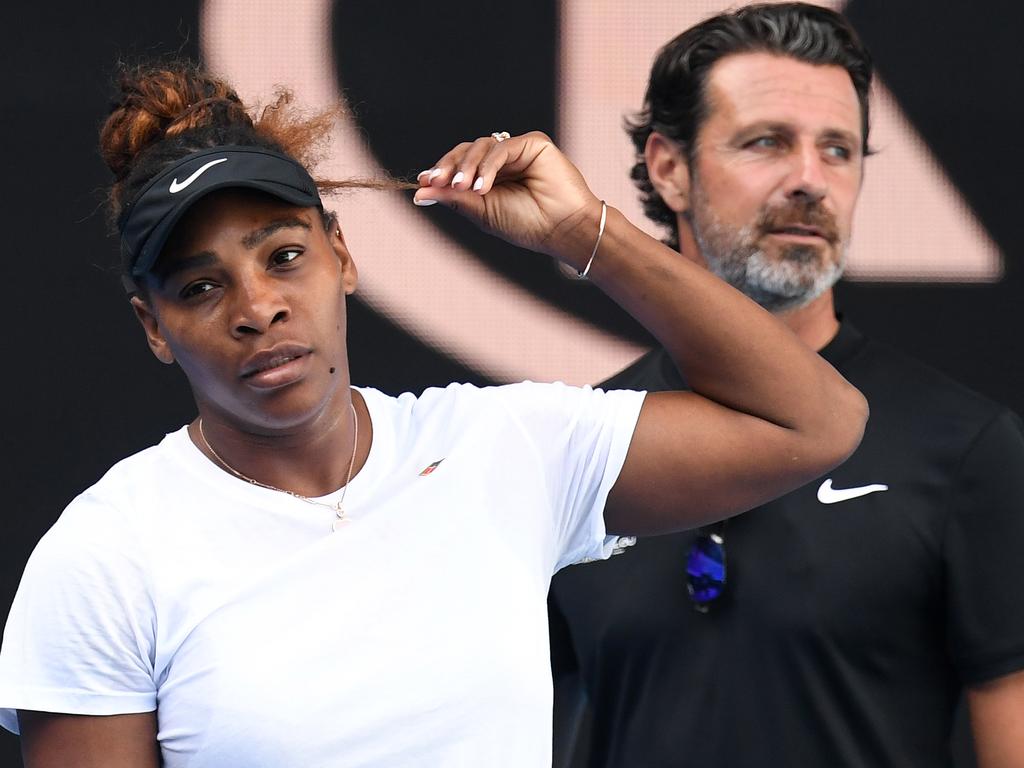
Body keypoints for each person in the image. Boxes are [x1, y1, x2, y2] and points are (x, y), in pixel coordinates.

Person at [0, 61, 863, 767]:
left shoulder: (502, 447)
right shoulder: (106, 554)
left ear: (342, 255)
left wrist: (580, 231)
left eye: (284, 255)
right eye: (199, 286)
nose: (256, 307)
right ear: (154, 327)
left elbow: (813, 423)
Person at [548, 4, 1024, 768]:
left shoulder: (966, 447)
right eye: (767, 142)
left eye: (838, 150)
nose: (810, 180)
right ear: (670, 168)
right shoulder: (581, 443)